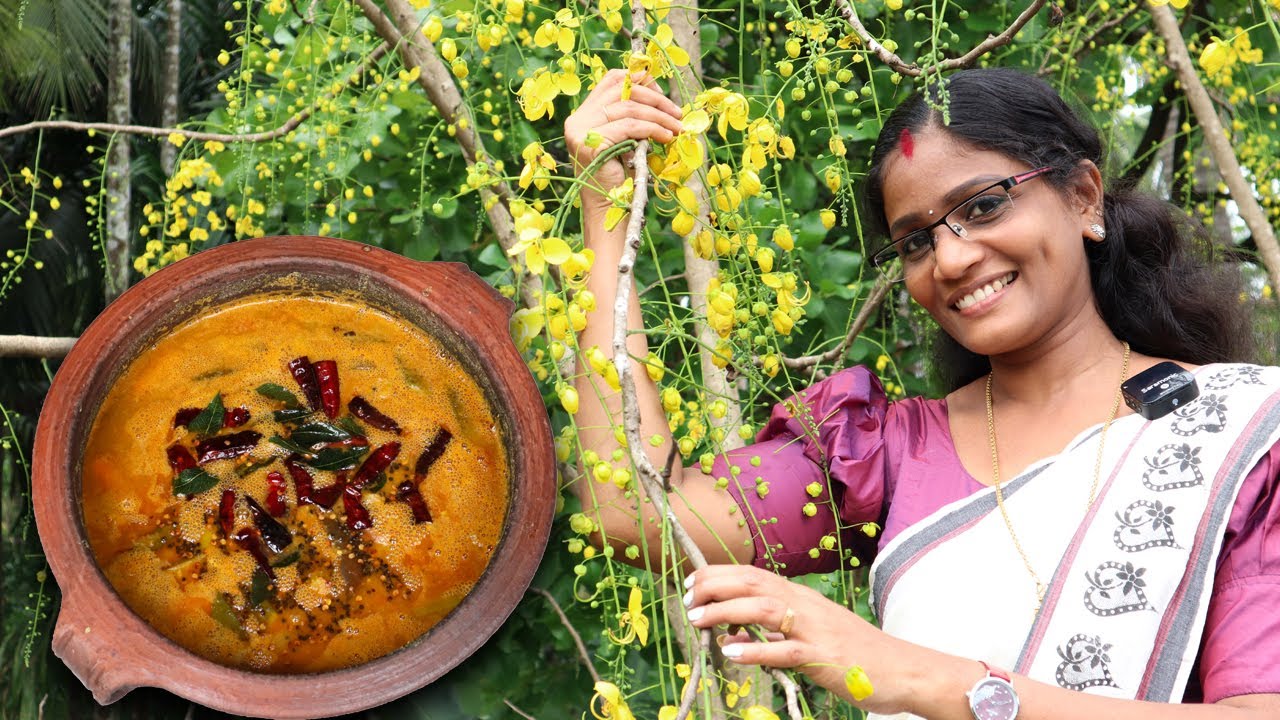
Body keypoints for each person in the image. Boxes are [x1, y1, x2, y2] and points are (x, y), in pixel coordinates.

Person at [563, 67, 1280, 719]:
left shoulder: (1244, 433)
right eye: (914, 242)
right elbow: (637, 515)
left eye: (985, 206)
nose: (953, 257)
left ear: (1084, 197)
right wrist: (606, 206)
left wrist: (927, 680)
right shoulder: (887, 453)